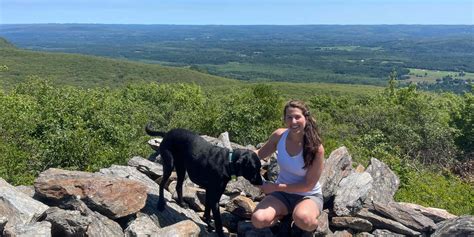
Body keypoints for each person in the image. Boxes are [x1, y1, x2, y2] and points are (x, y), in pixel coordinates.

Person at [251, 100, 324, 235]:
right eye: (289, 117)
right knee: (258, 219)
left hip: (308, 195)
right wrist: (233, 157)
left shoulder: (315, 148)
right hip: (283, 195)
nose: (293, 121)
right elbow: (259, 154)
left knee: (304, 219)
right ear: (284, 119)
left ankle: (318, 226)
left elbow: (307, 186)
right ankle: (286, 216)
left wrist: (274, 187)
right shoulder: (279, 136)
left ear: (306, 118)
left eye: (297, 117)